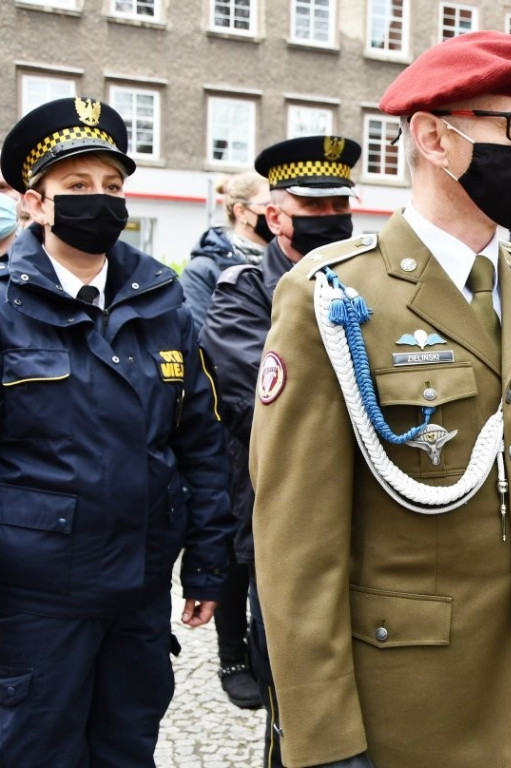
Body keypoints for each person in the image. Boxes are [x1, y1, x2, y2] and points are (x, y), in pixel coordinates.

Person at [248, 30, 511, 768]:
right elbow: (298, 540)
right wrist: (321, 730)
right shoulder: (334, 297)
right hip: (406, 697)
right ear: (432, 136)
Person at [0, 96, 232, 765]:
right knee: (35, 750)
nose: (98, 201)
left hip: (137, 590)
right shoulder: (6, 310)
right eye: (76, 188)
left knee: (128, 745)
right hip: (34, 600)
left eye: (111, 187)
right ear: (36, 204)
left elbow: (200, 445)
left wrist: (209, 567)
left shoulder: (164, 305)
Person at [201, 133, 363, 768]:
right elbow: (277, 400)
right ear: (274, 216)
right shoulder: (241, 292)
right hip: (282, 519)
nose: (329, 221)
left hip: (369, 523)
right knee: (297, 703)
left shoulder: (366, 280)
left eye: (338, 208)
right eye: (313, 209)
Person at [181, 170, 270, 710]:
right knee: (236, 538)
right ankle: (233, 652)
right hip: (225, 423)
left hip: (261, 417)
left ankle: (264, 645)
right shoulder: (206, 268)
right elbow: (200, 340)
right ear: (242, 210)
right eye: (265, 202)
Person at [180, 170, 270, 331]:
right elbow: (196, 337)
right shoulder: (202, 271)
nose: (275, 212)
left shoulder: (286, 259)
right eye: (268, 205)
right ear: (241, 212)